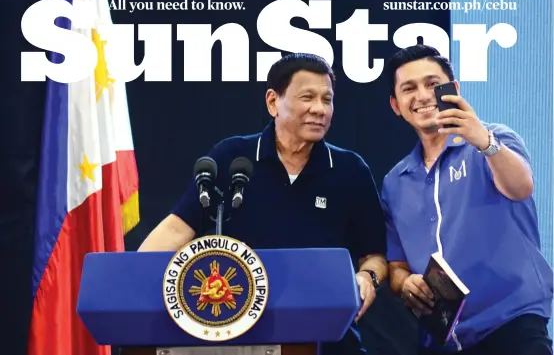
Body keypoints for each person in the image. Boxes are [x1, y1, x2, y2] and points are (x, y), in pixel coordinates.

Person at [139, 53, 388, 355]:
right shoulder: (233, 158)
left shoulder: (351, 170)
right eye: (307, 97)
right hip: (240, 336)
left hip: (330, 340)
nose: (319, 109)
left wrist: (368, 278)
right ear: (273, 102)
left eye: (327, 99)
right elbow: (177, 229)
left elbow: (374, 254)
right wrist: (132, 281)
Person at [381, 44, 553, 355]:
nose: (422, 96)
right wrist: (405, 283)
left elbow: (521, 187)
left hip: (512, 326)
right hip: (442, 341)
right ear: (396, 104)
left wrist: (485, 142)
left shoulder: (495, 139)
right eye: (409, 88)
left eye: (432, 84)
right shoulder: (395, 182)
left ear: (453, 89)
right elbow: (397, 265)